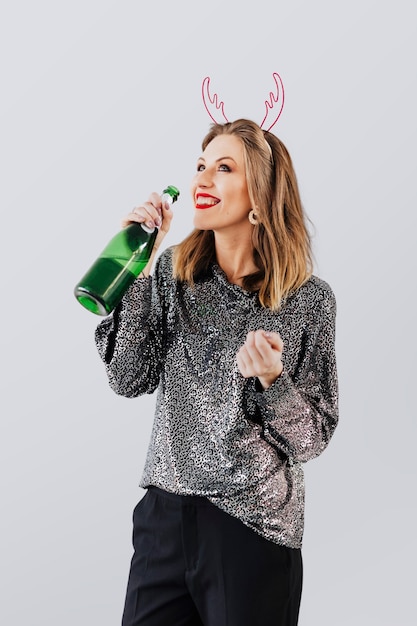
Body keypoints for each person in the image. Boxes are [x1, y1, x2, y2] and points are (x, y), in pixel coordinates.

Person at [95, 118, 339, 626]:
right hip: (164, 521)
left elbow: (313, 438)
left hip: (251, 528)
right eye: (201, 166)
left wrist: (275, 382)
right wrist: (136, 267)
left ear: (261, 196)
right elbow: (127, 377)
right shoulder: (170, 275)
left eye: (223, 168)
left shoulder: (309, 301)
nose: (202, 180)